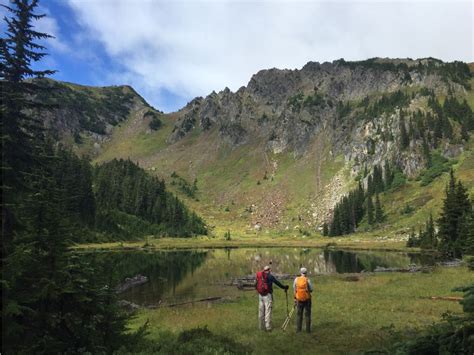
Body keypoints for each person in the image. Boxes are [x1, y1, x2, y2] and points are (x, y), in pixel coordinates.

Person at [255, 265, 289, 331]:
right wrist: (284, 287)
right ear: (269, 270)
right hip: (267, 295)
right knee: (267, 311)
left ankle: (261, 327)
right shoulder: (270, 276)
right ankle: (268, 328)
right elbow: (277, 283)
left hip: (260, 295)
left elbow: (256, 284)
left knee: (261, 311)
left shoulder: (259, 275)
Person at [293, 267, 313, 333]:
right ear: (306, 273)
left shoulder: (296, 279)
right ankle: (308, 330)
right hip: (307, 299)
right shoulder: (307, 280)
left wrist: (295, 298)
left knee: (299, 314)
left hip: (298, 299)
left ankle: (298, 330)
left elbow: (294, 289)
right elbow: (311, 289)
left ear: (300, 272)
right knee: (307, 314)